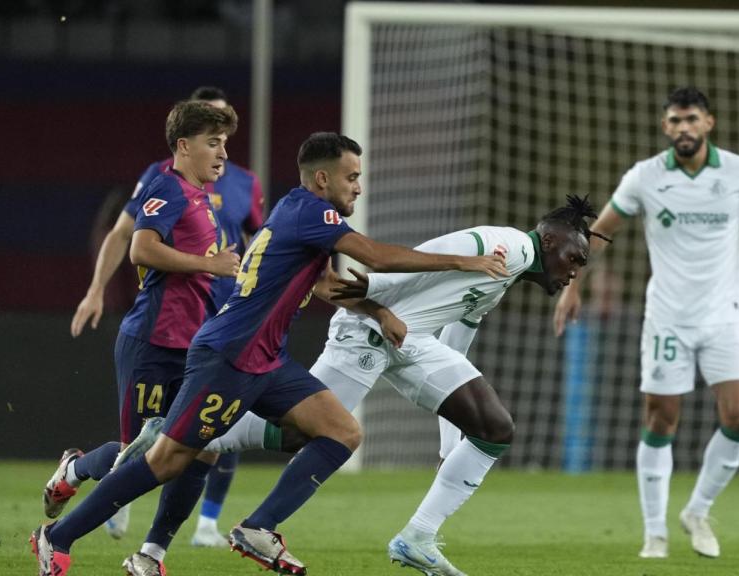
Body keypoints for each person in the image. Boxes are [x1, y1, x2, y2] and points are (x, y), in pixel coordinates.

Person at [30, 132, 508, 576]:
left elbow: (323, 283)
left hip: (267, 360)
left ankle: (258, 528)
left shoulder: (299, 217)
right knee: (169, 461)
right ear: (323, 178)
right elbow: (376, 257)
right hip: (229, 356)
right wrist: (465, 261)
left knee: (341, 431)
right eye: (352, 176)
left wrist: (376, 311)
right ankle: (57, 535)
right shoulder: (312, 213)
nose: (358, 187)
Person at [129, 195, 596, 576]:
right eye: (574, 256)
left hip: (412, 341)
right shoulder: (509, 247)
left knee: (493, 426)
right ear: (550, 239)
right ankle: (180, 433)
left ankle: (418, 538)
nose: (575, 270)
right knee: (303, 433)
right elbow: (445, 246)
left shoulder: (504, 277)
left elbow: (459, 342)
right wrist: (371, 292)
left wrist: (449, 437)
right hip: (370, 331)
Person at [553, 87, 739, 560]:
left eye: (691, 119)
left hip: (726, 316)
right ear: (665, 128)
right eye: (674, 121)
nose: (683, 128)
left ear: (709, 123)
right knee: (661, 418)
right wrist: (574, 284)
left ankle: (698, 510)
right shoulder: (645, 177)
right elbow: (600, 232)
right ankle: (654, 533)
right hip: (667, 319)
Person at [65, 86, 261, 547]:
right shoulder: (166, 184)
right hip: (159, 336)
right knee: (141, 456)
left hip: (205, 336)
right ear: (184, 144)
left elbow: (254, 241)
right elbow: (136, 243)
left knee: (206, 443)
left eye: (225, 139)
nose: (223, 150)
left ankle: (158, 548)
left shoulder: (222, 189)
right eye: (213, 138)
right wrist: (96, 289)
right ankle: (74, 471)